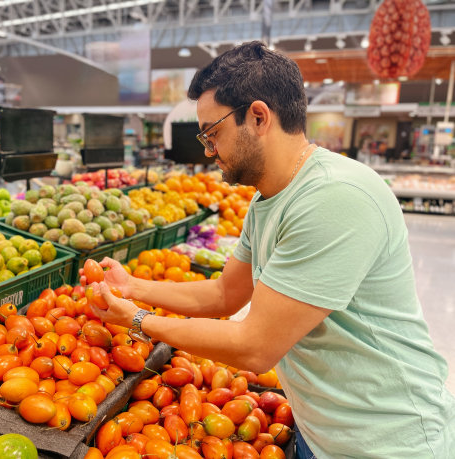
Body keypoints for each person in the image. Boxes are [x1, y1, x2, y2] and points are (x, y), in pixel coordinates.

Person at [81, 41, 455, 458]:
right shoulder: (267, 200)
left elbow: (255, 347)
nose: (208, 152)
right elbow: (225, 294)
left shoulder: (334, 197)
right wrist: (133, 286)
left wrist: (137, 320)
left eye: (212, 133)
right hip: (323, 431)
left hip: (387, 441)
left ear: (258, 117)